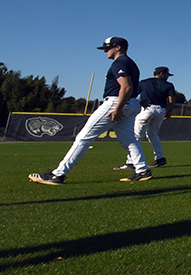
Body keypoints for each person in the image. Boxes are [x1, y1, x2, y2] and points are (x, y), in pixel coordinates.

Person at [29, 37, 151, 184]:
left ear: (118, 47)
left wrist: (118, 108)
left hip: (116, 102)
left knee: (83, 138)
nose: (105, 51)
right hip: (131, 103)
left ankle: (58, 175)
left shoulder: (120, 62)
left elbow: (127, 87)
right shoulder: (130, 63)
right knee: (129, 140)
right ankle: (142, 170)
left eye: (107, 48)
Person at [129, 66, 176, 168]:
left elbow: (133, 95)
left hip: (147, 109)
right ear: (161, 74)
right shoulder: (168, 85)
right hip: (161, 110)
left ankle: (131, 161)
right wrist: (169, 111)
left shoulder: (143, 82)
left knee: (136, 135)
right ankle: (160, 158)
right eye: (167, 74)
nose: (167, 77)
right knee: (152, 133)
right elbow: (171, 101)